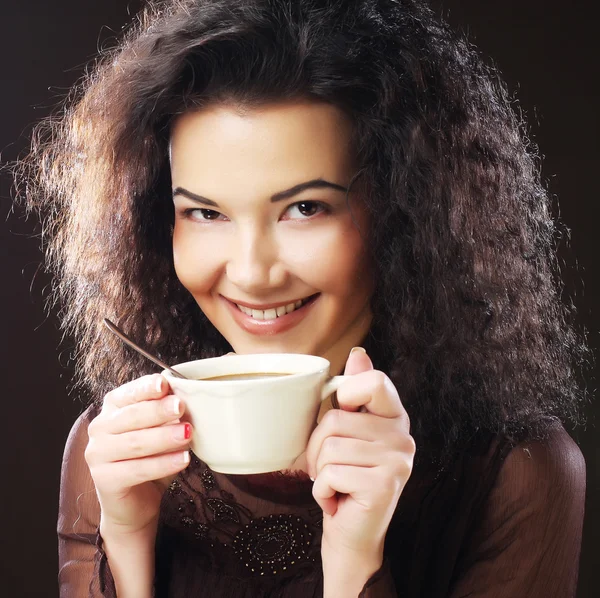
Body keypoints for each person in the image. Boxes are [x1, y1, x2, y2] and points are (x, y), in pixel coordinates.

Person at [17, 0, 588, 596]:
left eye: (305, 208)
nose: (252, 273)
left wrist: (354, 566)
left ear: (404, 214)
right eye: (205, 212)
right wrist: (127, 540)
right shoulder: (111, 453)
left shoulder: (516, 473)